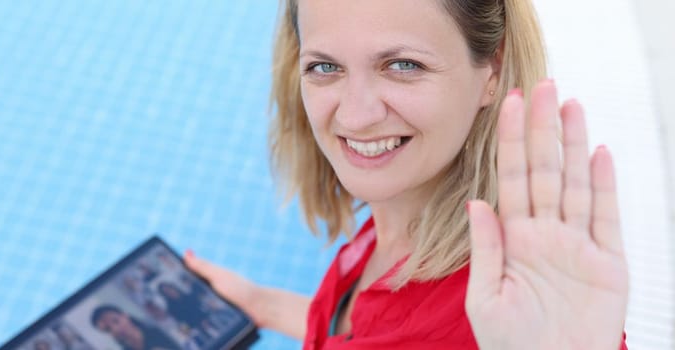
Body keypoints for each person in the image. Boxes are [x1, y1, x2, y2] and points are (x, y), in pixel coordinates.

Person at [185, 0, 630, 349]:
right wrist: (261, 305)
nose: (356, 117)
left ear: (492, 69)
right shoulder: (404, 208)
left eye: (403, 66)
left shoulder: (518, 304)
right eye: (325, 67)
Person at [90, 305, 182, 350]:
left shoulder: (156, 332)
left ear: (125, 316)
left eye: (116, 321)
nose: (115, 329)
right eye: (108, 329)